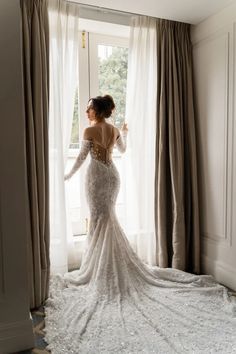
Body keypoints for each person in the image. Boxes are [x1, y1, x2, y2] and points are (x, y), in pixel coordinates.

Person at [45, 95, 236, 354]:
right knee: (106, 218)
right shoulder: (112, 130)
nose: (87, 111)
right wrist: (123, 132)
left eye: (89, 108)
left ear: (97, 110)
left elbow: (80, 158)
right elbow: (122, 151)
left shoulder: (89, 129)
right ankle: (104, 263)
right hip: (112, 176)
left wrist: (65, 175)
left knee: (100, 219)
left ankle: (98, 267)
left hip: (96, 178)